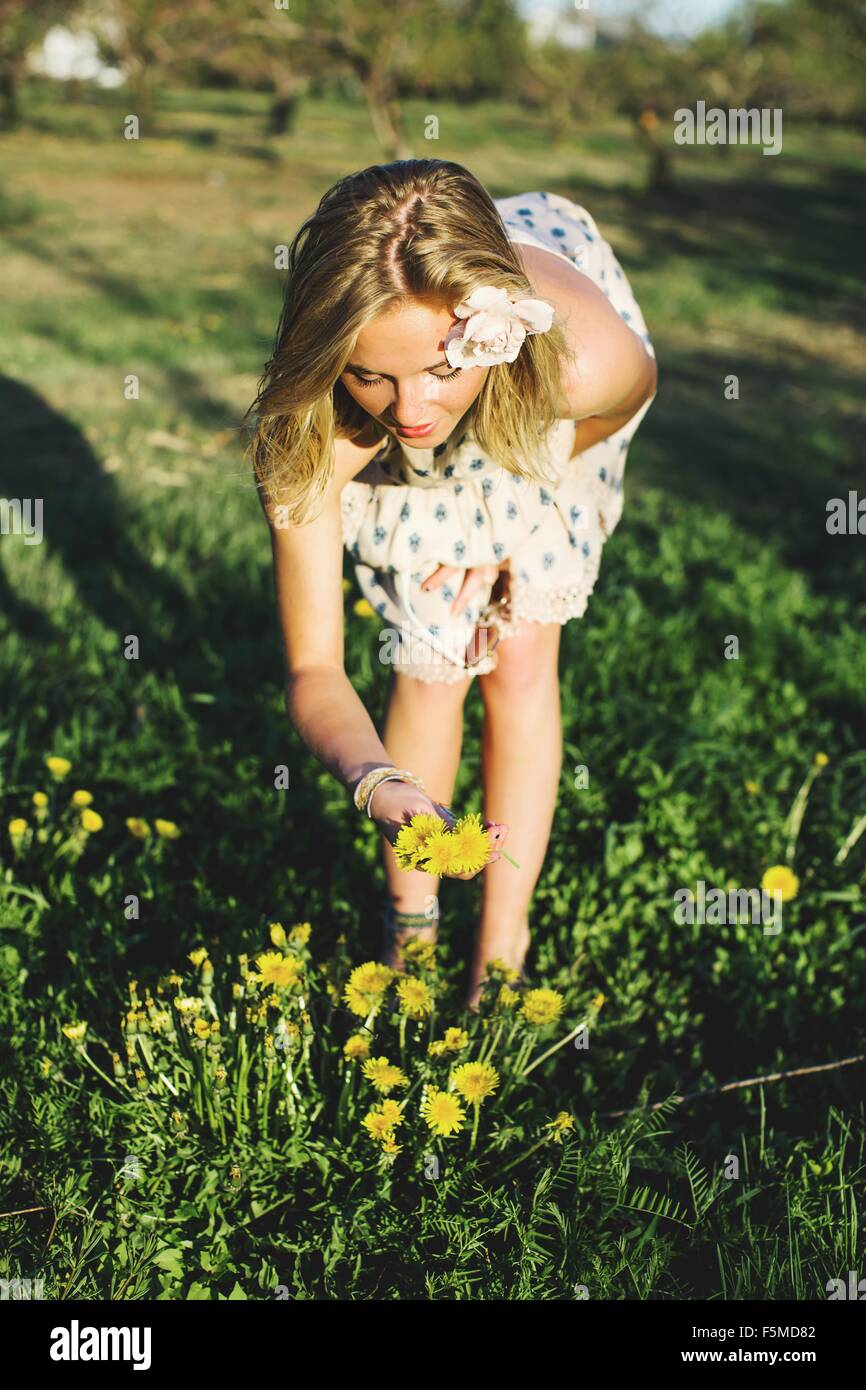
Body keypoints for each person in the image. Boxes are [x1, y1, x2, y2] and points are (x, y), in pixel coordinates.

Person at [245, 158, 657, 1010]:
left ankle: (503, 942)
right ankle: (412, 925)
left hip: (549, 423)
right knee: (430, 657)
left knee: (517, 654)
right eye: (371, 375)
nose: (410, 411)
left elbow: (628, 399)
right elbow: (316, 670)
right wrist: (374, 780)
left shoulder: (578, 362)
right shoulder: (313, 438)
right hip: (466, 411)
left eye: (438, 371)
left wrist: (512, 502)